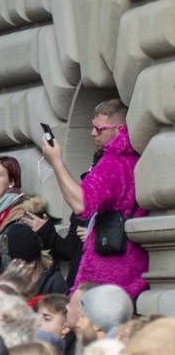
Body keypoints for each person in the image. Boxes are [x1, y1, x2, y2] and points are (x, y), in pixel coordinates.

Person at [39, 98, 147, 297]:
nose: (92, 133)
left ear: (119, 129)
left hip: (109, 273)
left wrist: (56, 161)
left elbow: (82, 203)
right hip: (129, 269)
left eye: (99, 129)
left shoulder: (115, 161)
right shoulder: (134, 158)